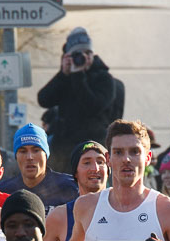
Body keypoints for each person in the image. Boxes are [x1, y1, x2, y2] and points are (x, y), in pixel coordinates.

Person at [36, 26, 118, 172]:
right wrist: (62, 74)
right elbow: (43, 99)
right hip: (63, 150)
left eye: (88, 53)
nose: (83, 58)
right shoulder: (66, 77)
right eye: (78, 54)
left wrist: (78, 76)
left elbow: (93, 106)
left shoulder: (104, 78)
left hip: (93, 146)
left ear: (93, 54)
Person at [0, 123, 78, 211]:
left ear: (46, 155)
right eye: (23, 151)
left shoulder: (71, 187)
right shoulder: (3, 190)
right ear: (16, 156)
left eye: (36, 150)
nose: (29, 157)